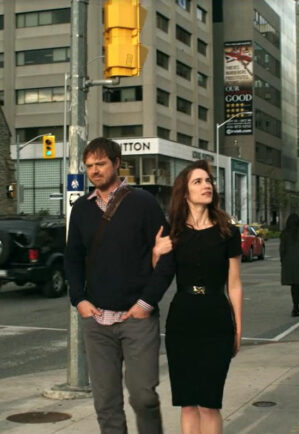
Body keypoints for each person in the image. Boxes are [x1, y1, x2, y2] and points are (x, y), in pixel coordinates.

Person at [64, 137, 174, 434]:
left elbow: (166, 256)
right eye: (89, 166)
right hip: (97, 321)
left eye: (100, 164)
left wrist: (145, 304)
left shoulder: (143, 203)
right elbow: (72, 259)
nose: (94, 171)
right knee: (106, 403)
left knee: (143, 396)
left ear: (116, 163)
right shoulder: (81, 210)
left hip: (137, 318)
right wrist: (79, 300)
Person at [151, 160, 243, 434]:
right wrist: (157, 252)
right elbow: (158, 278)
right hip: (182, 320)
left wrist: (238, 327)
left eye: (208, 181)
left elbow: (235, 285)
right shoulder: (172, 233)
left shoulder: (228, 232)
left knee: (209, 404)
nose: (207, 186)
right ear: (185, 192)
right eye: (198, 181)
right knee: (188, 403)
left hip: (216, 319)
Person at [280, 213, 299, 317]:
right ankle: (296, 306)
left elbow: (282, 249)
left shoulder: (285, 233)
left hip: (288, 262)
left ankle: (295, 305)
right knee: (298, 285)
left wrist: (282, 262)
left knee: (293, 285)